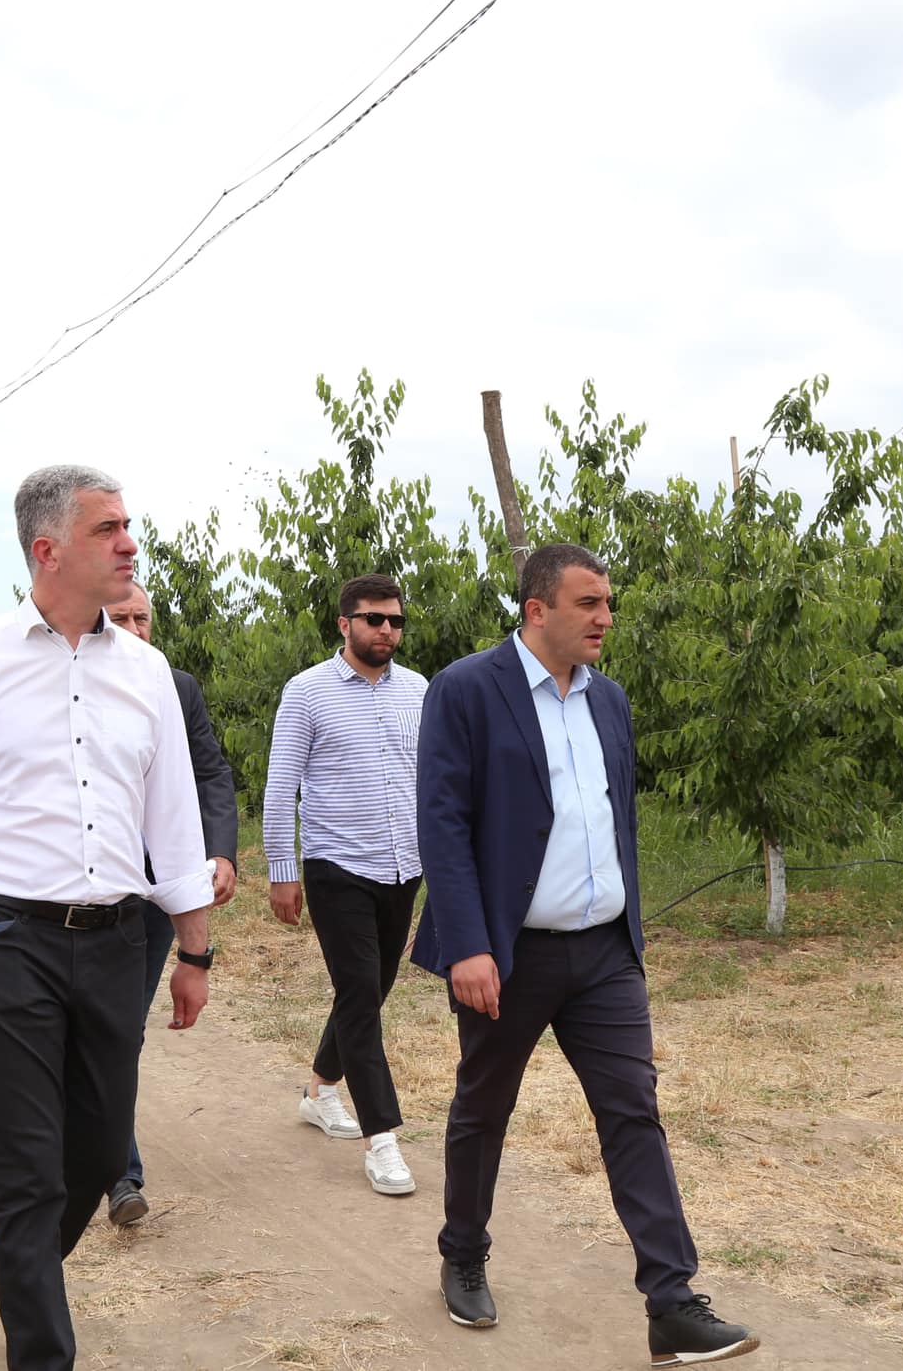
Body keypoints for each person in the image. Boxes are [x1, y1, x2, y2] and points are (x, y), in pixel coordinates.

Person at [0, 464, 216, 1371]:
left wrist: (194, 951)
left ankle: (13, 1263)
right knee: (25, 1165)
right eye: (109, 529)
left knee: (98, 1154)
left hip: (115, 942)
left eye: (128, 525)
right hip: (1, 943)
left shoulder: (147, 672)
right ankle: (41, 1347)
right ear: (47, 548)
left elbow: (174, 819)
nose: (130, 544)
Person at [413, 543, 759, 1365]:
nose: (606, 617)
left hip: (604, 952)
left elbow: (615, 815)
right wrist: (468, 944)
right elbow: (443, 823)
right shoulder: (466, 689)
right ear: (537, 610)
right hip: (509, 954)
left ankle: (672, 1303)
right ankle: (463, 1254)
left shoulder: (610, 699)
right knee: (484, 1107)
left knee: (633, 1112)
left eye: (608, 602)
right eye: (589, 604)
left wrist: (628, 926)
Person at [262, 573, 427, 1198]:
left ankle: (320, 1089)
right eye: (373, 619)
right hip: (337, 866)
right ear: (344, 624)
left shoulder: (419, 690)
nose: (386, 630)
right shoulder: (306, 692)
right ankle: (382, 1138)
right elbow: (281, 787)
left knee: (372, 990)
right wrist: (283, 871)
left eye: (395, 620)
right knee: (359, 993)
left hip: (403, 865)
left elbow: (432, 778)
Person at [100, 583, 238, 1227]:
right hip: (76, 890)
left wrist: (220, 852)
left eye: (142, 617)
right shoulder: (59, 683)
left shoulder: (175, 687)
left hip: (156, 893)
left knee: (122, 1026)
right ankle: (97, 1161)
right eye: (120, 617)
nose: (134, 628)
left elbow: (209, 772)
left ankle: (118, 1172)